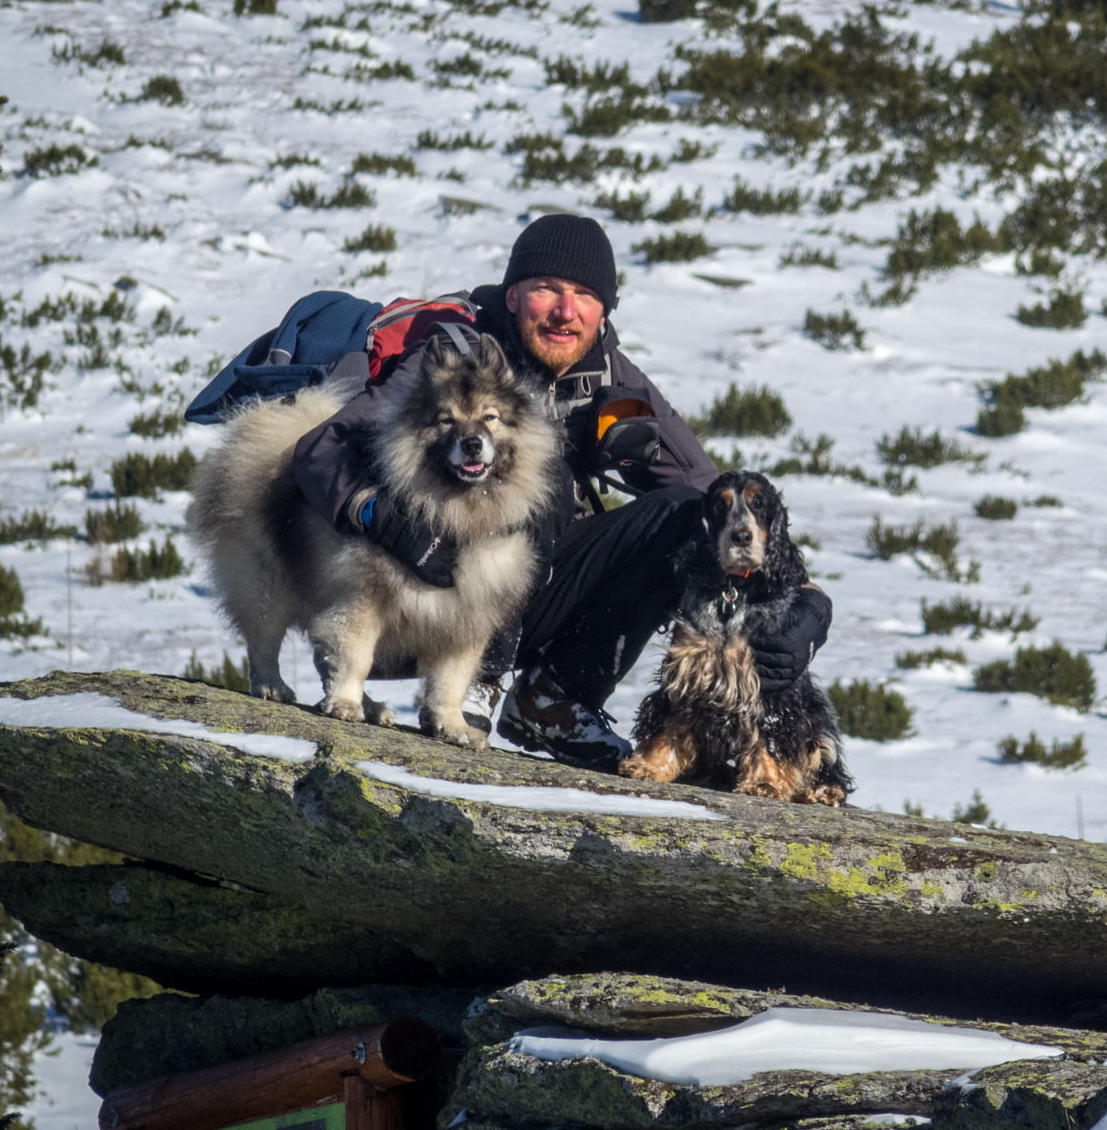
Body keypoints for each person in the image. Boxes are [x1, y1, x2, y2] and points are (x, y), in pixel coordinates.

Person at [289, 214, 834, 768]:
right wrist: (384, 519)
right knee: (538, 476)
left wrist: (807, 601)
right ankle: (479, 681)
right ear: (514, 294)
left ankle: (553, 698)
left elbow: (706, 492)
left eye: (584, 295)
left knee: (679, 517)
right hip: (404, 608)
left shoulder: (606, 376)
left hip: (521, 595)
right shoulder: (450, 357)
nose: (565, 311)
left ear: (604, 312)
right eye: (546, 288)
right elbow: (316, 452)